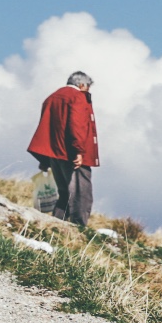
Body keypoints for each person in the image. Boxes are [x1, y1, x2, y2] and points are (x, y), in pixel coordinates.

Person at [25, 71, 100, 228]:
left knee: (64, 192)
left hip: (54, 153)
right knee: (80, 193)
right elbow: (77, 126)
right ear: (82, 85)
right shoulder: (77, 97)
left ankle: (56, 225)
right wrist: (79, 151)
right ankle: (79, 227)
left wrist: (45, 159)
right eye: (88, 87)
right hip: (71, 154)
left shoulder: (52, 97)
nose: (88, 91)